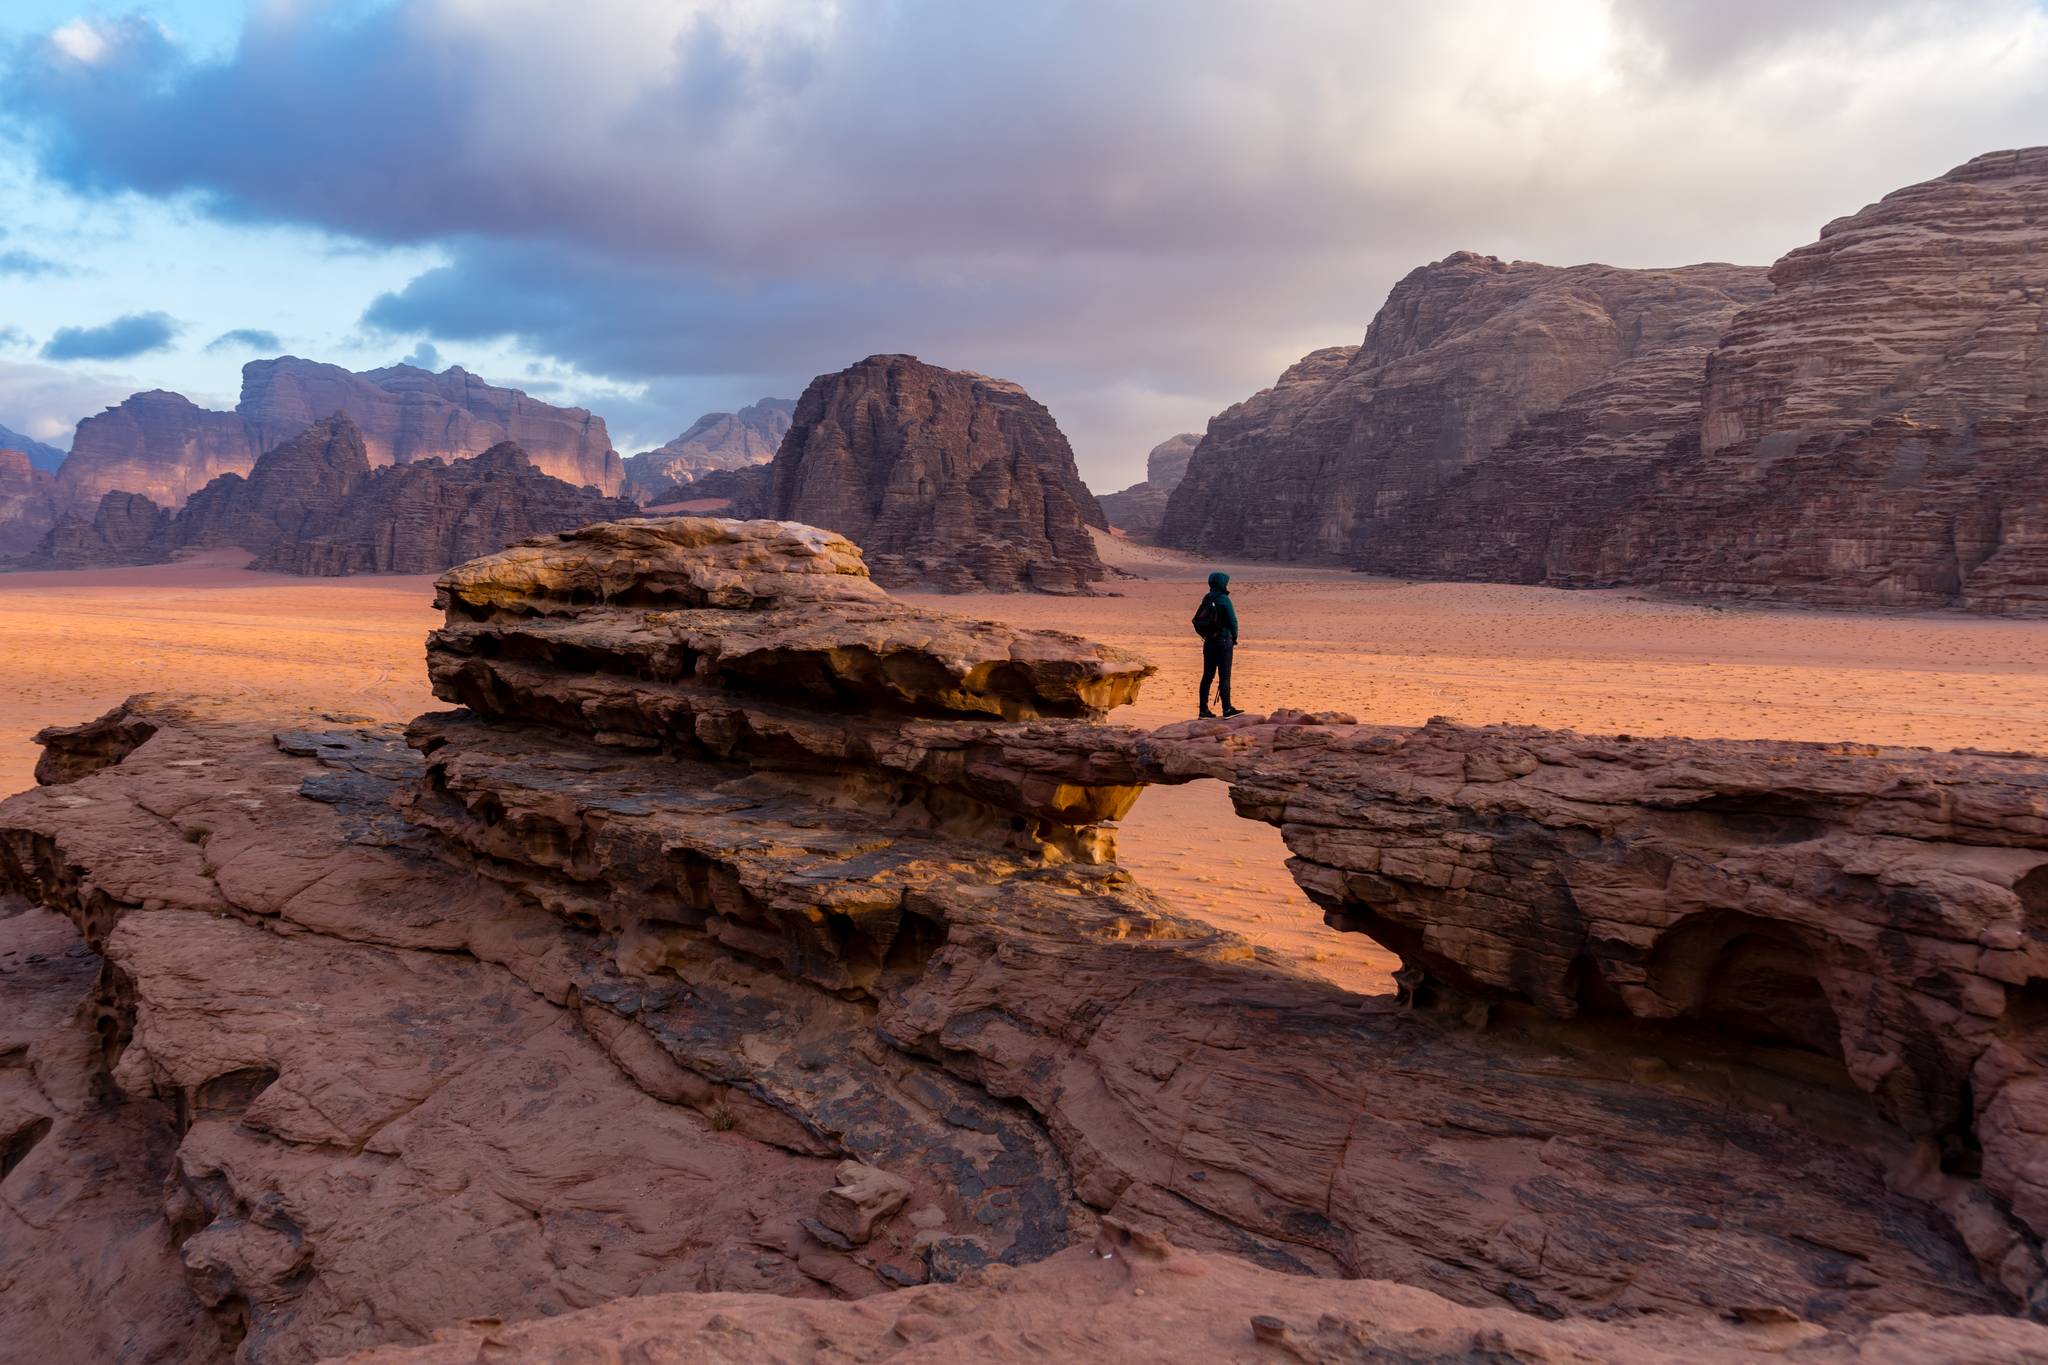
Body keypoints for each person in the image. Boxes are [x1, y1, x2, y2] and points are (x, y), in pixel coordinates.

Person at [1193, 570, 1243, 718]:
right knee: (1224, 676)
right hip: (1223, 641)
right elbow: (1232, 621)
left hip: (1209, 642)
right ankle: (1227, 709)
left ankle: (1203, 710)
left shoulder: (1207, 598)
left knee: (1207, 676)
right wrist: (1234, 637)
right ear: (1223, 583)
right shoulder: (1223, 599)